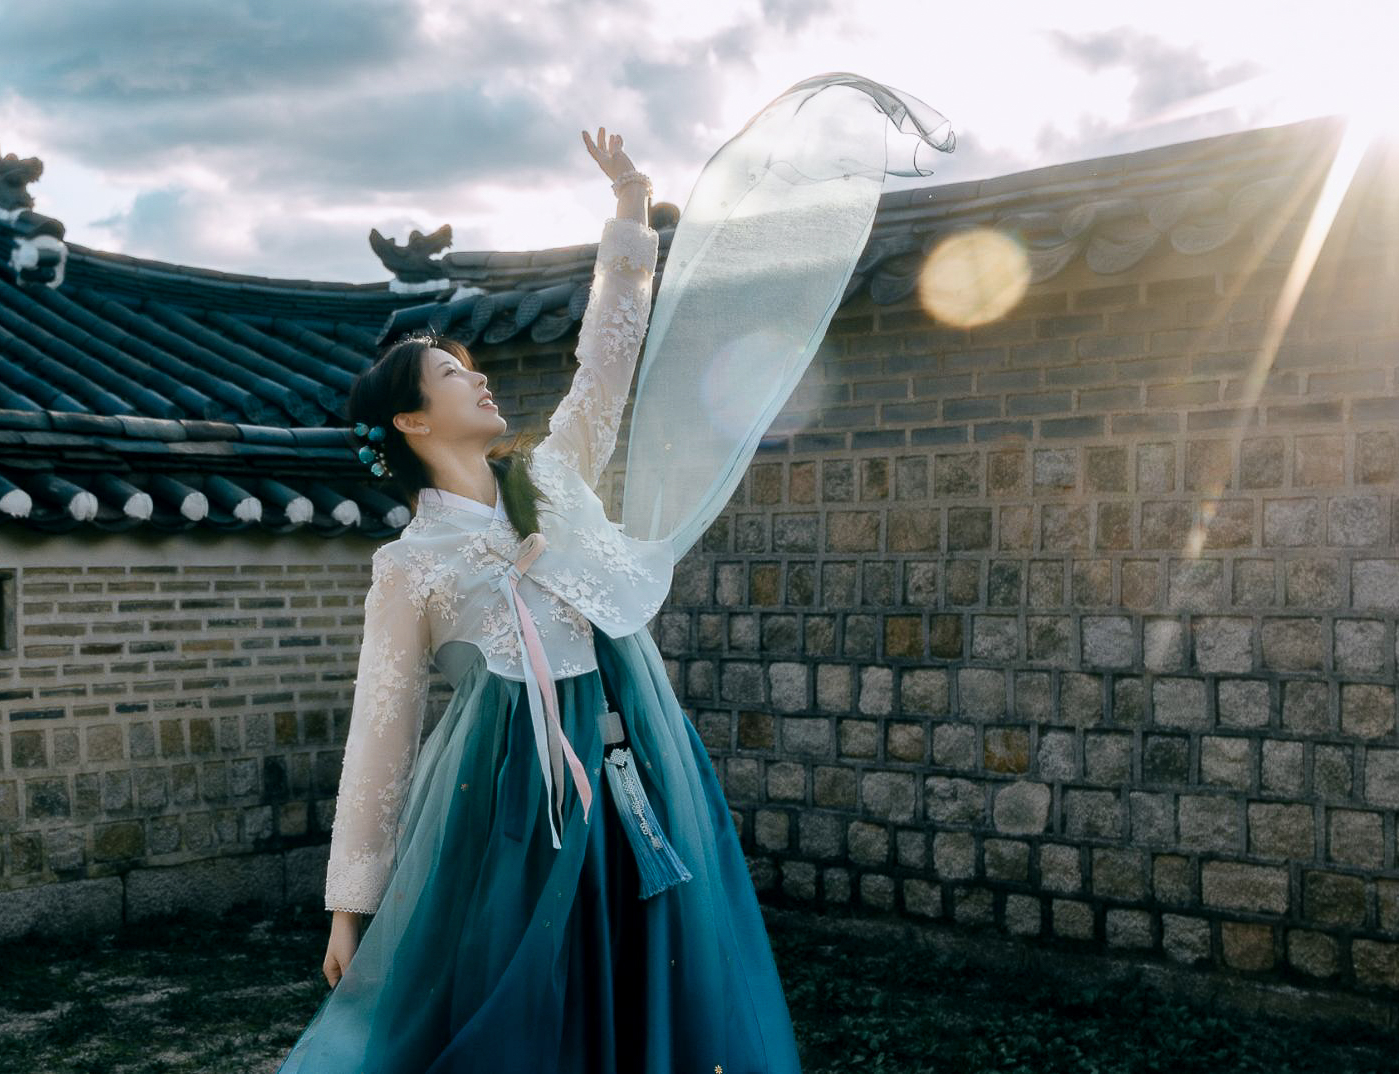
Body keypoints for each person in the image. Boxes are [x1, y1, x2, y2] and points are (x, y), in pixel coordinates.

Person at [279, 74, 953, 1074]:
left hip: (637, 756)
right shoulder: (408, 565)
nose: (482, 377)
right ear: (412, 422)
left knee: (651, 970)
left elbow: (606, 366)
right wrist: (351, 906)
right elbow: (379, 739)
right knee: (518, 995)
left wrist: (629, 218)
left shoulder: (550, 475)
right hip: (499, 801)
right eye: (456, 374)